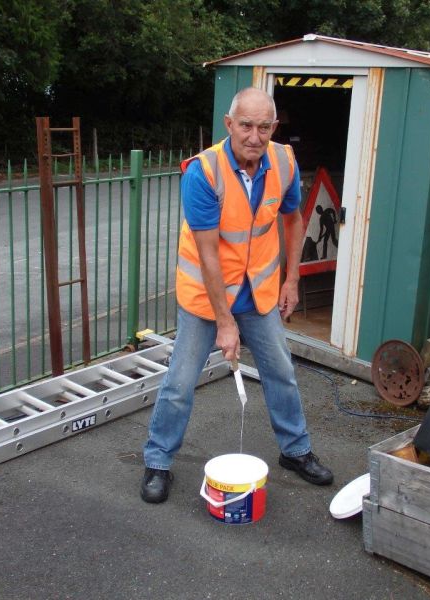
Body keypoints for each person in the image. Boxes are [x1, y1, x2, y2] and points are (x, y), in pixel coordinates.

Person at [140, 87, 333, 504]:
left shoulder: (282, 161)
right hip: (207, 297)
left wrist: (291, 279)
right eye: (246, 125)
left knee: (281, 371)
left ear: (274, 128)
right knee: (180, 382)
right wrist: (225, 324)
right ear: (229, 125)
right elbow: (208, 254)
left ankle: (295, 451)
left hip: (259, 292)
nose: (255, 136)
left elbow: (294, 220)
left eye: (264, 127)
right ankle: (158, 461)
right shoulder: (203, 172)